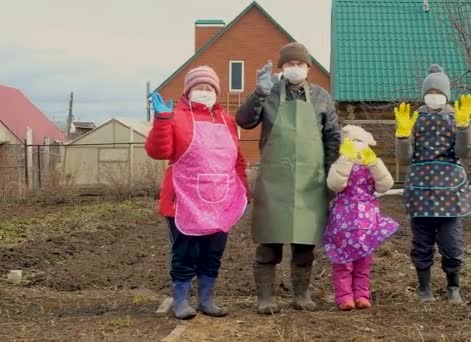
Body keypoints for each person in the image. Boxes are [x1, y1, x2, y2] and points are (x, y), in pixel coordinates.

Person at [236, 42, 341, 314]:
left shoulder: (321, 97)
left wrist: (332, 173)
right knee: (269, 241)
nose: (295, 69)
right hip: (274, 181)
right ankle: (266, 298)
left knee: (305, 242)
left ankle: (301, 295)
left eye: (300, 64)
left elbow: (332, 137)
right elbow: (244, 121)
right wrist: (258, 92)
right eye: (290, 64)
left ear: (308, 67)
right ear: (282, 68)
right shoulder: (268, 93)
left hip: (311, 181)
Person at [145, 66, 249, 319]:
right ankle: (181, 300)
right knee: (185, 253)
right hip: (184, 200)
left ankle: (206, 299)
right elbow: (158, 152)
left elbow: (236, 159)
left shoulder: (227, 120)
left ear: (217, 92)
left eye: (209, 88)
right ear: (188, 91)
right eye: (199, 88)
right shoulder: (175, 116)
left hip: (219, 199)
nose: (204, 92)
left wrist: (242, 189)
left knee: (212, 253)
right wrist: (161, 121)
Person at [394, 64, 471, 304]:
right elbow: (404, 158)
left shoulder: (456, 117)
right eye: (429, 91)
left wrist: (464, 128)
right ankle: (425, 289)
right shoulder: (413, 119)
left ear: (446, 94)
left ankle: (453, 288)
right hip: (421, 191)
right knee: (421, 242)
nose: (434, 95)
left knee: (451, 243)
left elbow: (464, 151)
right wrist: (402, 135)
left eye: (438, 92)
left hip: (450, 192)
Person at [324, 125, 399, 311]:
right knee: (343, 261)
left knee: (364, 261)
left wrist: (374, 163)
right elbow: (335, 185)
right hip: (343, 221)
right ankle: (345, 297)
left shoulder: (371, 164)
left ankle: (362, 295)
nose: (357, 147)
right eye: (352, 142)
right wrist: (345, 161)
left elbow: (385, 185)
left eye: (360, 142)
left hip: (367, 222)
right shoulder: (339, 165)